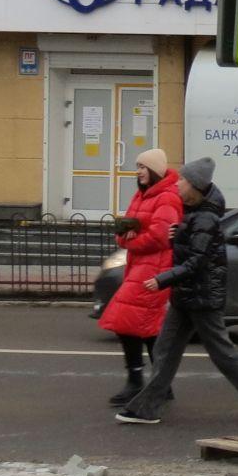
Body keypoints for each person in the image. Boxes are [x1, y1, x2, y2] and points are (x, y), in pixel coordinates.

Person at [116, 157, 238, 424]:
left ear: (194, 185)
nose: (177, 183)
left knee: (221, 352)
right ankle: (147, 407)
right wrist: (177, 237)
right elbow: (190, 249)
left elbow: (197, 261)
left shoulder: (206, 218)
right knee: (165, 349)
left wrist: (162, 279)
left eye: (182, 179)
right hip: (186, 295)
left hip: (202, 297)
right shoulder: (192, 212)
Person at [96, 149, 182, 406]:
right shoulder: (143, 194)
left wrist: (131, 242)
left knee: (128, 322)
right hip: (139, 267)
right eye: (138, 166)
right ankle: (160, 383)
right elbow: (126, 228)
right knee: (145, 327)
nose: (138, 171)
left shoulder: (167, 197)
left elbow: (160, 236)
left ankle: (138, 382)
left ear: (155, 170)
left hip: (155, 268)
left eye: (143, 167)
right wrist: (124, 237)